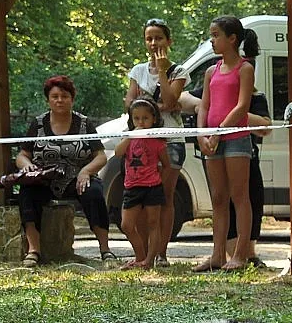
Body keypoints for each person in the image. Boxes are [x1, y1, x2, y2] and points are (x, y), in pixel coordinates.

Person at [14, 75, 115, 268]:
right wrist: (26, 165)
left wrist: (86, 171)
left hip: (77, 178)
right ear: (48, 100)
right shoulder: (38, 123)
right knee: (27, 193)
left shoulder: (84, 124)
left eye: (64, 96)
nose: (59, 100)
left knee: (94, 193)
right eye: (55, 96)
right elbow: (22, 155)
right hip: (44, 179)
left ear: (72, 99)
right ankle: (33, 251)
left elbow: (100, 156)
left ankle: (105, 250)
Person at [192, 16, 259, 273]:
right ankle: (217, 254)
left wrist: (219, 132)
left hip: (235, 139)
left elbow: (242, 106)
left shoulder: (245, 68)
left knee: (239, 196)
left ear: (232, 39)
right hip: (212, 139)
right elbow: (204, 106)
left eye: (216, 35)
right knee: (218, 197)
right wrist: (202, 134)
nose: (212, 40)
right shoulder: (211, 71)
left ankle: (240, 254)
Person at [125, 18, 190, 267]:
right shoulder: (137, 71)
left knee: (164, 196)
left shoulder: (178, 71)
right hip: (141, 142)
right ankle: (144, 253)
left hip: (170, 140)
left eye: (159, 38)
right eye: (149, 38)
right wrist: (155, 106)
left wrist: (162, 71)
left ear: (168, 41)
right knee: (142, 197)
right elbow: (131, 104)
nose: (154, 43)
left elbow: (171, 101)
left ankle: (161, 253)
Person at [114, 97, 170, 269]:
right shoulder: (128, 137)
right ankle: (140, 256)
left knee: (153, 223)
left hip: (153, 187)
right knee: (127, 225)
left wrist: (160, 181)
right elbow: (118, 153)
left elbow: (166, 165)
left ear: (154, 119)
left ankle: (149, 260)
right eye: (136, 118)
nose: (141, 122)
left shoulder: (158, 141)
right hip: (132, 187)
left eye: (145, 118)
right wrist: (131, 136)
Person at [227, 90, 272, 267]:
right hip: (220, 153)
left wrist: (236, 113)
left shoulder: (257, 97)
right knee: (225, 201)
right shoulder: (214, 85)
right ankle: (230, 253)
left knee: (253, 199)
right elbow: (185, 98)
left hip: (247, 153)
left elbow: (265, 126)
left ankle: (248, 254)